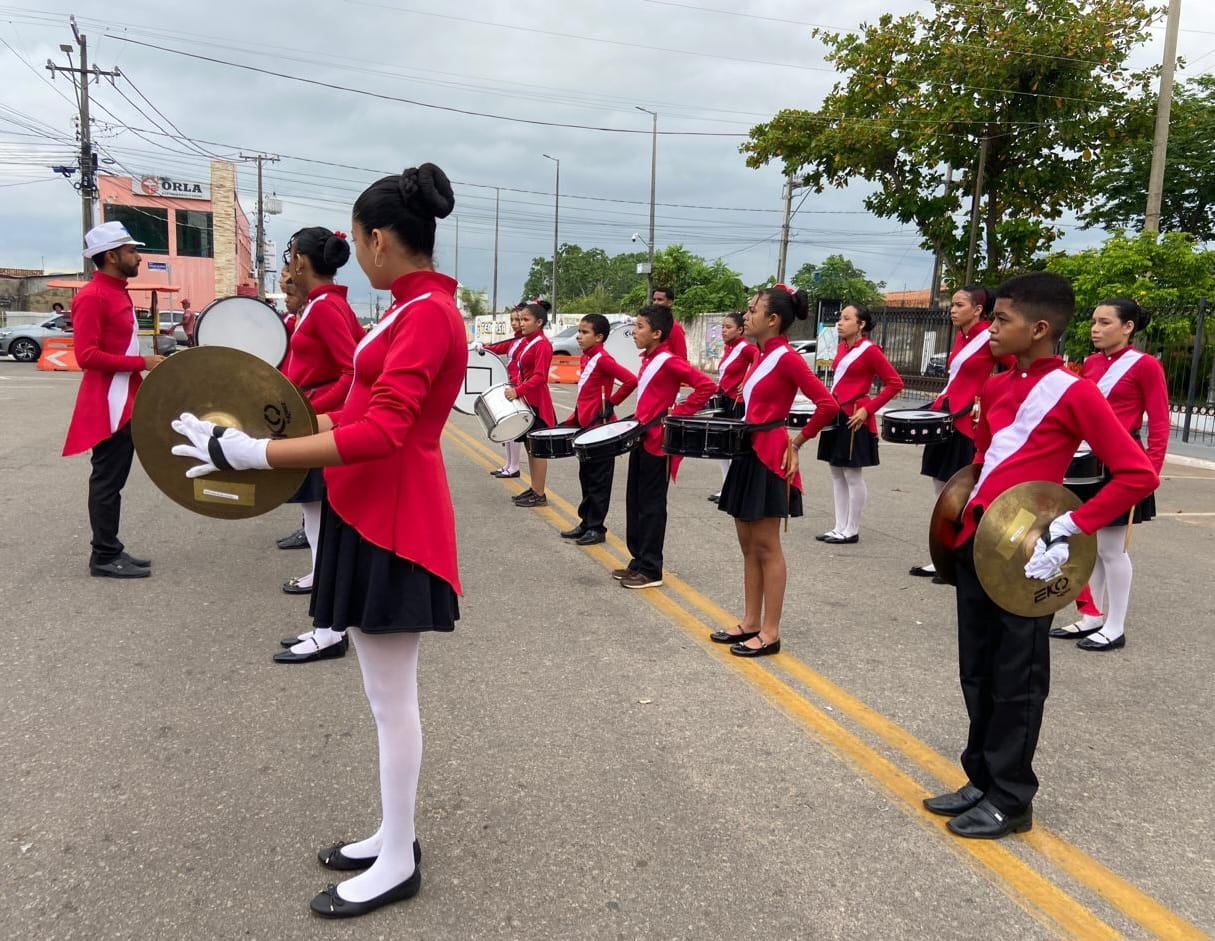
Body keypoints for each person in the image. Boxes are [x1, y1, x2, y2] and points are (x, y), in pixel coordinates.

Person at [173, 162, 460, 917]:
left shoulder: (426, 316)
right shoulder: (405, 310)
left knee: (392, 701)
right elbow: (351, 407)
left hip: (395, 520)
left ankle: (397, 856)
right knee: (380, 694)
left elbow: (387, 429)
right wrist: (237, 436)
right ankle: (389, 832)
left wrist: (262, 456)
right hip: (369, 510)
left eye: (357, 239)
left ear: (375, 239)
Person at [923, 273, 1157, 840]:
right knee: (976, 671)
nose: (992, 328)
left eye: (1002, 320)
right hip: (978, 547)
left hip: (1030, 561)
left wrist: (1071, 526)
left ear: (1040, 328)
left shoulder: (1074, 391)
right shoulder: (998, 386)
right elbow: (985, 465)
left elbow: (1136, 473)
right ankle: (980, 778)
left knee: (1017, 678)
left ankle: (1011, 798)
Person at [712, 285, 838, 656]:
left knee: (767, 546)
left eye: (753, 311)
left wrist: (797, 443)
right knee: (748, 546)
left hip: (770, 457)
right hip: (748, 453)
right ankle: (750, 621)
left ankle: (770, 632)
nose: (746, 316)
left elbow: (827, 404)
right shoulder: (760, 355)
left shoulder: (787, 358)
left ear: (773, 319)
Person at [1049, 297, 1169, 651]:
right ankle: (1092, 616)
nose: (1095, 329)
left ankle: (1115, 626)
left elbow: (1160, 423)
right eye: (1094, 322)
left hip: (1122, 462)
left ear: (1127, 327)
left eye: (1104, 322)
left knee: (1112, 548)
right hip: (1088, 459)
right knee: (1089, 544)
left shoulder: (1145, 366)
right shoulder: (1091, 363)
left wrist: (1150, 471)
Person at [274, 226, 367, 664]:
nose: (287, 263)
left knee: (325, 520)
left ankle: (329, 632)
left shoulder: (329, 307)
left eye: (290, 255)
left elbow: (351, 374)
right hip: (307, 418)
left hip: (315, 421)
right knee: (315, 517)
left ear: (302, 261)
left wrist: (313, 415)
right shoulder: (317, 305)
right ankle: (325, 623)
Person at [63, 221, 165, 578]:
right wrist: (143, 363)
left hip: (125, 398)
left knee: (114, 480)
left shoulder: (117, 291)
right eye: (132, 251)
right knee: (107, 480)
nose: (138, 256)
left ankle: (111, 547)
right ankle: (104, 555)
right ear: (111, 256)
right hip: (107, 403)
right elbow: (86, 356)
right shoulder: (92, 296)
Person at [613, 304, 716, 589]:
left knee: (652, 506)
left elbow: (707, 386)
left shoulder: (669, 360)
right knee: (635, 502)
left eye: (641, 327)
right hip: (641, 438)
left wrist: (679, 412)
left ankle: (651, 568)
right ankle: (637, 560)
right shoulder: (649, 359)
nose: (634, 331)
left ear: (657, 333)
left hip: (658, 443)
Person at [910, 285, 1005, 581]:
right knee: (942, 491)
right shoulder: (961, 337)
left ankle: (959, 557)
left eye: (959, 304)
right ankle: (941, 555)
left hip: (967, 422)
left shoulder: (989, 335)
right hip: (946, 416)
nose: (952, 309)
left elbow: (1013, 368)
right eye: (952, 304)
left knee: (960, 492)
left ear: (977, 309)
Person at [816, 304, 904, 543]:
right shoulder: (842, 346)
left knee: (852, 474)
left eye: (846, 319)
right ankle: (838, 525)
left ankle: (851, 529)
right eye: (840, 318)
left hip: (855, 414)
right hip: (836, 412)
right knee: (836, 471)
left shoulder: (870, 350)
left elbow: (895, 383)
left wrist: (869, 409)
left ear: (861, 324)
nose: (839, 323)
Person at [559, 314, 638, 545]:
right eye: (579, 331)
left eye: (585, 332)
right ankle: (585, 522)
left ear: (599, 337)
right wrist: (572, 419)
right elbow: (585, 395)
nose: (579, 336)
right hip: (585, 426)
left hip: (600, 429)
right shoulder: (586, 358)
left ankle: (597, 527)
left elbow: (631, 380)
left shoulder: (603, 359)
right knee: (586, 477)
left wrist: (612, 402)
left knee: (599, 481)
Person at [507, 300, 555, 508]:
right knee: (530, 447)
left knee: (538, 449)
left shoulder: (542, 344)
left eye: (526, 320)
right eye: (521, 319)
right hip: (526, 401)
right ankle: (534, 487)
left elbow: (539, 377)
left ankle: (539, 492)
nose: (522, 323)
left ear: (539, 323)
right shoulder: (529, 342)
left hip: (537, 402)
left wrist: (518, 391)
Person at [708, 310, 757, 503]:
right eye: (722, 327)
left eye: (728, 327)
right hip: (724, 398)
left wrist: (746, 380)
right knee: (722, 446)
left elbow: (758, 359)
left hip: (737, 400)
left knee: (734, 447)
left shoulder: (745, 347)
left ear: (740, 330)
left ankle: (736, 488)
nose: (723, 331)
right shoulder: (729, 348)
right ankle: (726, 486)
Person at [481, 305, 526, 478]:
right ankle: (509, 464)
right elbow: (496, 348)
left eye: (520, 320)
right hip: (511, 386)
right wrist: (482, 347)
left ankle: (514, 466)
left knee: (515, 429)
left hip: (518, 388)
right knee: (508, 428)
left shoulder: (527, 341)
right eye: (513, 320)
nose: (515, 323)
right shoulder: (515, 340)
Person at [651, 286, 688, 360]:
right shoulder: (651, 324)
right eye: (654, 299)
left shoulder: (674, 327)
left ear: (670, 303)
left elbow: (681, 358)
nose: (655, 303)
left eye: (660, 300)